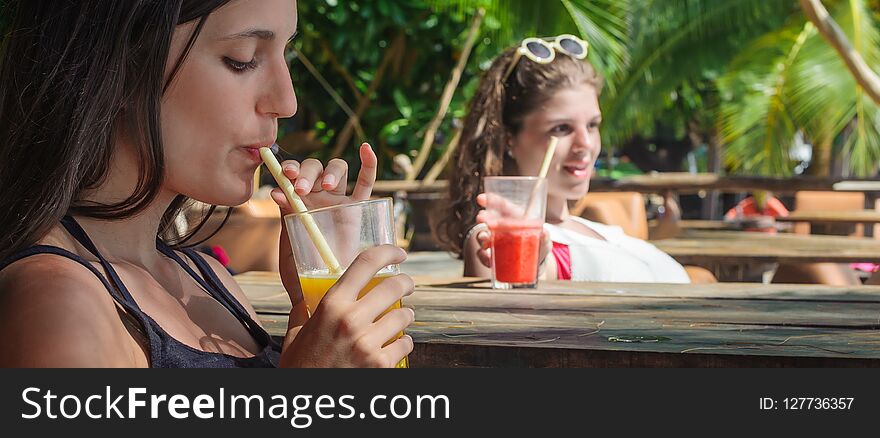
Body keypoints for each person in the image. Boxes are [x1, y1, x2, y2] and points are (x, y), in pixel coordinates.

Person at [0, 0, 414, 368]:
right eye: (243, 58)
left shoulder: (206, 280)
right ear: (121, 68)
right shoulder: (59, 305)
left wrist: (316, 317)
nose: (287, 101)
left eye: (285, 52)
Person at [433, 35, 690, 283]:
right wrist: (530, 262)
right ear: (508, 137)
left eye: (592, 125)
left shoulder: (596, 230)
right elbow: (510, 304)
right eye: (561, 128)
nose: (586, 145)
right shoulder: (500, 238)